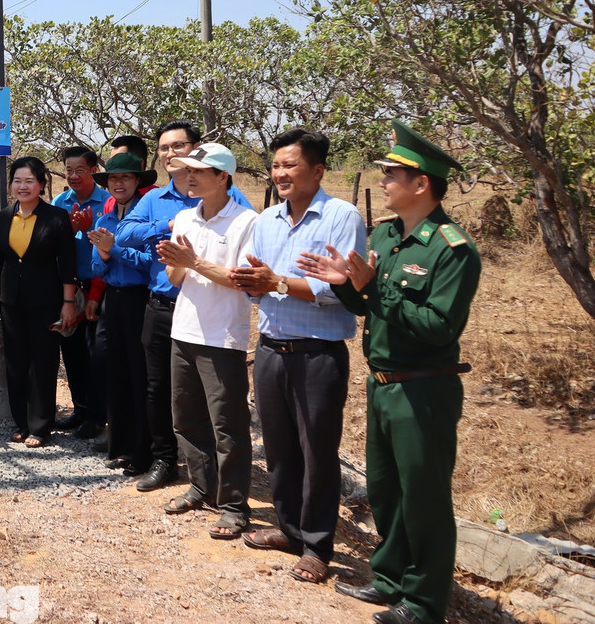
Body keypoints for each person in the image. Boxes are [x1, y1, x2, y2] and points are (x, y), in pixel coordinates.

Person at [300, 119, 481, 624]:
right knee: (385, 490)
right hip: (381, 383)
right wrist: (344, 284)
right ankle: (391, 577)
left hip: (424, 390)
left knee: (423, 498)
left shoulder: (452, 249)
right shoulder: (384, 233)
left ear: (421, 184)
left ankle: (424, 603)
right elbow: (366, 307)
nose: (382, 179)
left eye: (391, 173)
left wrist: (374, 287)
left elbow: (438, 327)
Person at [226, 129, 366, 584]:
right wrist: (255, 283)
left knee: (317, 451)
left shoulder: (342, 217)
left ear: (318, 170)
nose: (280, 173)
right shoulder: (266, 220)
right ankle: (288, 528)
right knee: (281, 448)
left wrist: (278, 284)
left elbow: (337, 289)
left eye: (290, 165)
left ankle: (318, 544)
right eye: (276, 165)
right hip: (270, 348)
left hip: (317, 354)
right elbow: (260, 283)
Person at [113, 119, 252, 494]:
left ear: (196, 149)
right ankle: (166, 460)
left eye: (178, 146)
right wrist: (168, 224)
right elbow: (124, 232)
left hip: (212, 311)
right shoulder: (155, 199)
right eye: (164, 148)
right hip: (162, 306)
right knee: (159, 389)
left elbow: (247, 260)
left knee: (214, 399)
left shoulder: (234, 204)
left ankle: (220, 478)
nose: (171, 154)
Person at [155, 142, 258, 539]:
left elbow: (242, 281)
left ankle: (234, 505)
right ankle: (201, 486)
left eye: (199, 171)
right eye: (187, 171)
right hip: (184, 331)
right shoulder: (184, 219)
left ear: (223, 177)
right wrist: (177, 265)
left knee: (228, 427)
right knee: (186, 417)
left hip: (223, 337)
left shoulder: (247, 222)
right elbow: (174, 279)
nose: (189, 176)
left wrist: (193, 262)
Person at [0, 156, 79, 448]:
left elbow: (68, 263)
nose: (22, 186)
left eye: (29, 181)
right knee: (15, 361)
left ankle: (40, 425)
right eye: (17, 180)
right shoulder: (2, 217)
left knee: (43, 362)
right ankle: (21, 422)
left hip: (46, 301)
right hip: (11, 300)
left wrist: (68, 302)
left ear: (41, 184)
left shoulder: (56, 217)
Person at [86, 152, 157, 474]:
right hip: (112, 301)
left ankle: (143, 448)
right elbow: (95, 266)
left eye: (126, 178)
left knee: (139, 374)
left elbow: (148, 264)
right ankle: (119, 443)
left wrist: (114, 249)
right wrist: (103, 253)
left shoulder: (145, 222)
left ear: (137, 181)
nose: (119, 183)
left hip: (139, 299)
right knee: (112, 370)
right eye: (114, 178)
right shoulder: (104, 219)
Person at [49, 145, 110, 440]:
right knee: (71, 353)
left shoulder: (108, 202)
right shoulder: (60, 202)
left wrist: (86, 231)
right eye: (69, 170)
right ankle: (80, 409)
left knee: (96, 355)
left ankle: (99, 416)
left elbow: (110, 245)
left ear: (94, 170)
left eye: (80, 171)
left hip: (99, 288)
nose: (73, 176)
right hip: (69, 290)